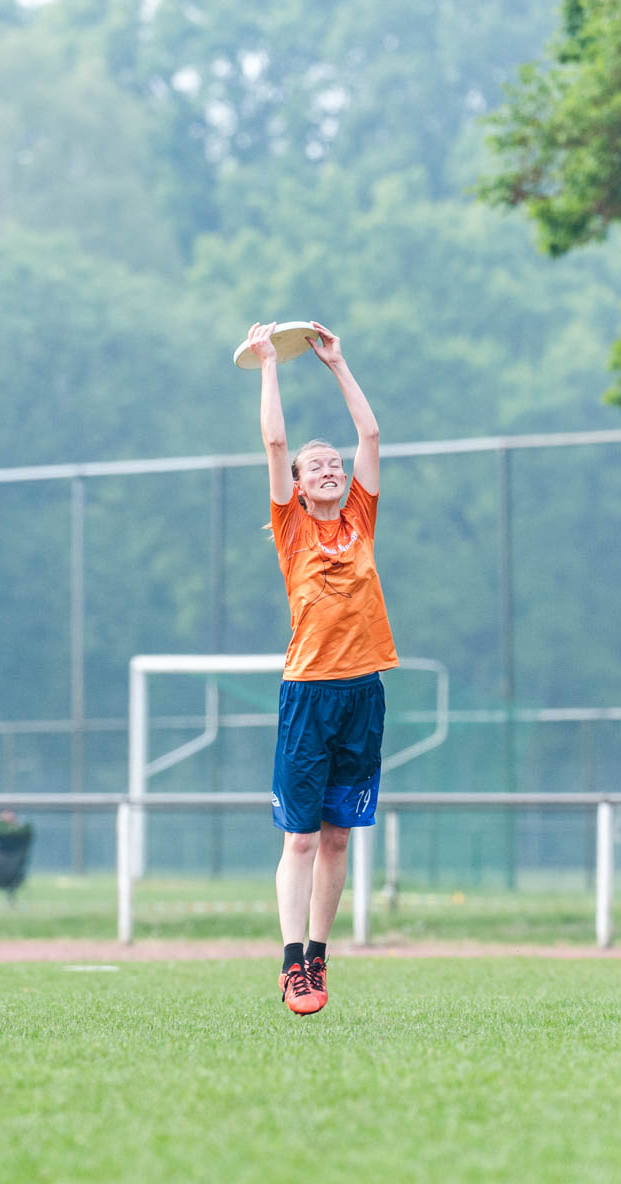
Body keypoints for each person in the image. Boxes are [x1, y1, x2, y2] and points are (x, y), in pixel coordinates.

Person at [247, 321, 396, 1017]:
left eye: (332, 463)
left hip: (363, 692)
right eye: (317, 467)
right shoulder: (293, 526)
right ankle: (289, 960)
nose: (331, 468)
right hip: (309, 693)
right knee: (301, 836)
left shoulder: (359, 518)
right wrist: (271, 365)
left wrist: (337, 365)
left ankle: (318, 957)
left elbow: (370, 437)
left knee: (338, 836)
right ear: (300, 488)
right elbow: (275, 442)